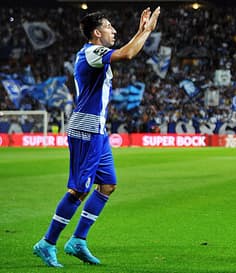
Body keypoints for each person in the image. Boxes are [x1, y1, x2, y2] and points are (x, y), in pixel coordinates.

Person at [33, 6, 160, 268]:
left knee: (108, 185)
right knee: (79, 189)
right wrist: (146, 31)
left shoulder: (96, 53)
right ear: (96, 33)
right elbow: (127, 54)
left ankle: (77, 241)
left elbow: (125, 50)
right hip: (85, 129)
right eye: (109, 26)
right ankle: (46, 243)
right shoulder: (91, 52)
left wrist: (140, 31)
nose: (113, 30)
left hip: (98, 131)